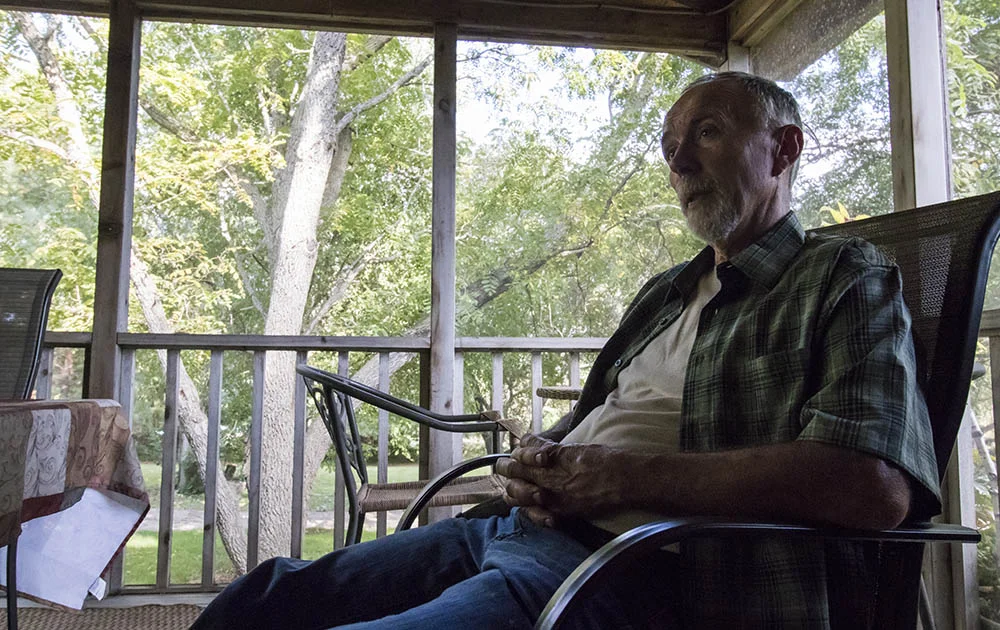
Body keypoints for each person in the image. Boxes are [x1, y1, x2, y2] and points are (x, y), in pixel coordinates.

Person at [191, 72, 940, 630]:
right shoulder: (669, 291)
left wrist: (621, 480)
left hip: (636, 569)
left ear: (784, 149)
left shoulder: (841, 277)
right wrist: (545, 459)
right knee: (260, 600)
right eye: (669, 146)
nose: (678, 162)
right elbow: (600, 420)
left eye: (706, 133)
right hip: (513, 529)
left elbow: (872, 486)